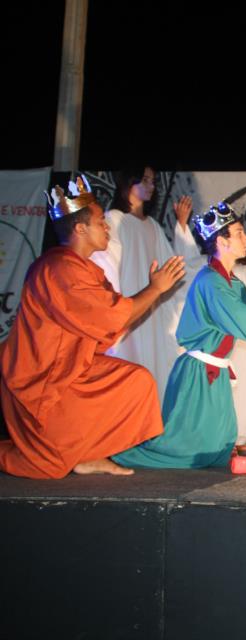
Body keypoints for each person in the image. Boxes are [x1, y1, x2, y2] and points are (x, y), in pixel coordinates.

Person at [0, 177, 185, 479]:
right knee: (47, 466)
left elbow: (109, 320)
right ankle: (65, 454)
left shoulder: (84, 268)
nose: (107, 227)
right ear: (80, 229)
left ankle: (88, 454)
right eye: (101, 222)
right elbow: (112, 316)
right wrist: (154, 290)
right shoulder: (60, 269)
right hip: (43, 378)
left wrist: (152, 291)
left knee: (134, 382)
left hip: (70, 368)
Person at [113, 202, 246, 469]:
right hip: (199, 376)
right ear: (222, 242)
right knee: (184, 451)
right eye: (239, 233)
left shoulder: (231, 282)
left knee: (216, 448)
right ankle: (111, 453)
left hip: (214, 373)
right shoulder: (212, 282)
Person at [90, 166, 201, 401]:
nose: (151, 186)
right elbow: (106, 267)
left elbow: (175, 267)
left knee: (155, 365)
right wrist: (117, 307)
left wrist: (182, 225)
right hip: (128, 308)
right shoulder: (114, 220)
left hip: (153, 311)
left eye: (153, 181)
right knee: (128, 364)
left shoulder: (152, 225)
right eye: (146, 180)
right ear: (129, 183)